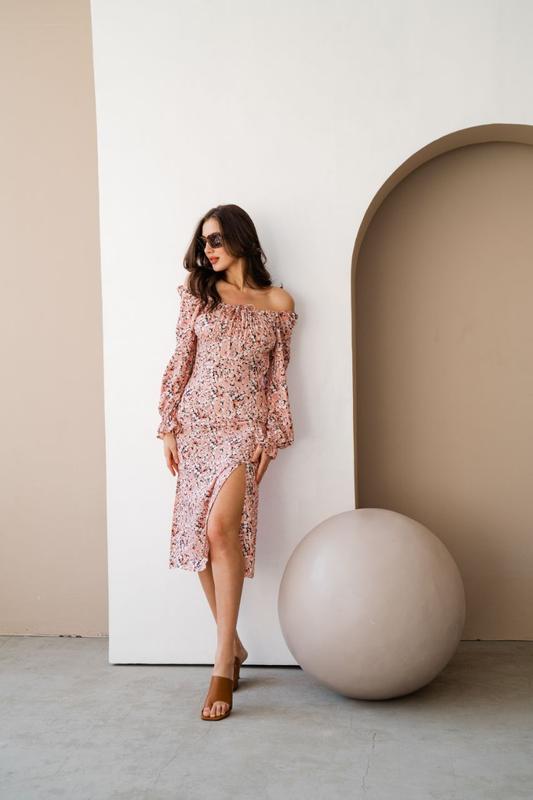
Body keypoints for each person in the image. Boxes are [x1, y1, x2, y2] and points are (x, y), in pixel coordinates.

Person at [156, 204, 299, 721]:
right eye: (204, 243)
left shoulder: (278, 302)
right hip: (196, 426)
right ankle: (233, 646)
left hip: (244, 429)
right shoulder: (200, 294)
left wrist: (273, 435)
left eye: (215, 239)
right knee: (200, 535)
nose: (208, 250)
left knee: (222, 529)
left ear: (240, 238)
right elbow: (181, 359)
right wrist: (168, 423)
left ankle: (220, 667)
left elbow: (277, 380)